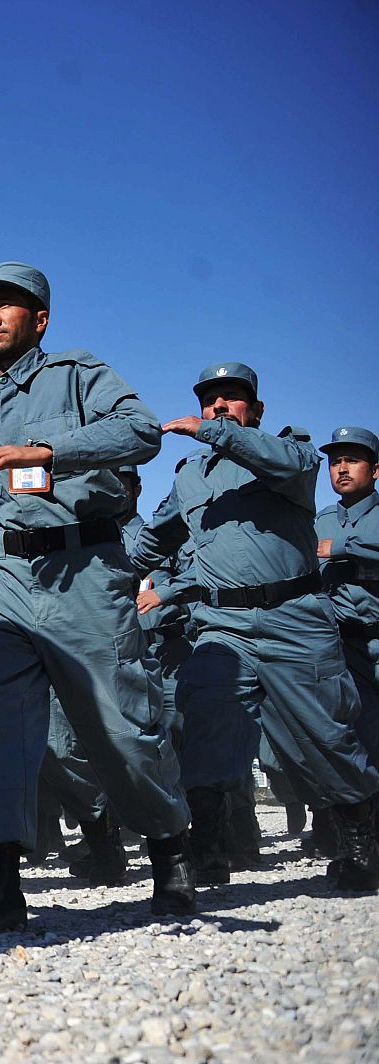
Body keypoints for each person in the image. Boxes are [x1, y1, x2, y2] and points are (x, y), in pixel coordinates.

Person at [0, 261, 193, 935]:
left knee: (118, 725)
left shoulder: (79, 375)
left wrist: (51, 450)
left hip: (82, 566)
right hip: (1, 577)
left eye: (5, 306)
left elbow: (140, 431)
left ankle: (171, 855)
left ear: (40, 320)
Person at [131, 368, 379, 891]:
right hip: (222, 624)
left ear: (256, 411)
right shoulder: (190, 477)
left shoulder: (287, 456)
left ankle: (359, 842)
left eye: (232, 399)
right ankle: (209, 849)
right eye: (210, 401)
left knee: (326, 732)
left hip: (295, 616)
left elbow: (286, 462)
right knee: (206, 731)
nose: (219, 407)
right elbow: (153, 540)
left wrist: (215, 433)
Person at [316, 426, 379, 765]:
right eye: (335, 461)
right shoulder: (321, 521)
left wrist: (342, 548)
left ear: (376, 470)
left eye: (352, 460)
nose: (341, 468)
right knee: (360, 744)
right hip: (346, 651)